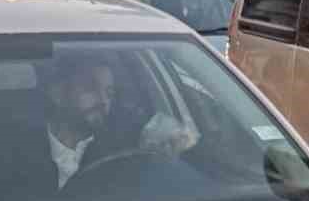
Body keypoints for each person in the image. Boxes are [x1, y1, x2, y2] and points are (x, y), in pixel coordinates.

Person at [41, 51, 198, 191]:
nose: (103, 101)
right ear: (58, 94)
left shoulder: (120, 142)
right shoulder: (22, 146)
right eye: (90, 89)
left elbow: (168, 132)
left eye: (109, 93)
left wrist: (177, 138)